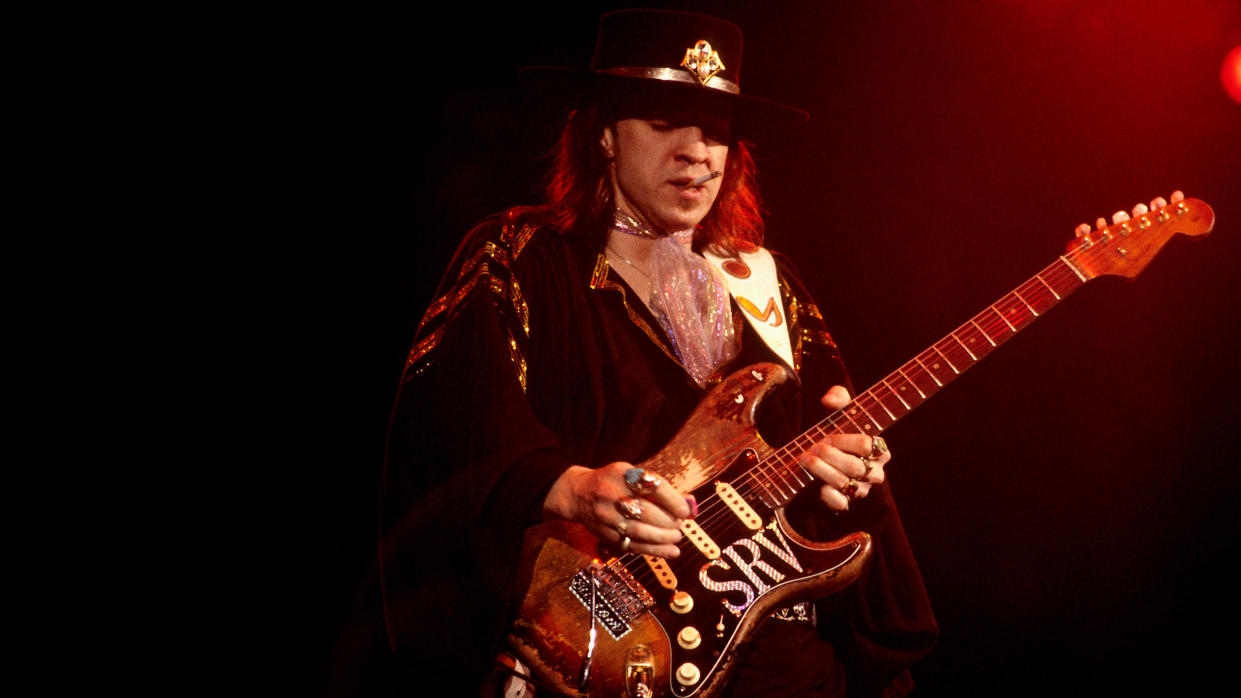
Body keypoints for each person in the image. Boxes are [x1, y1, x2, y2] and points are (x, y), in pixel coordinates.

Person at [379, 10, 937, 697]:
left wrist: (852, 476)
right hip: (601, 647)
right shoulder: (520, 257)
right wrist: (569, 488)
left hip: (778, 661)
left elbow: (830, 469)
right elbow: (443, 430)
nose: (696, 151)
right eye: (665, 122)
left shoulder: (771, 285)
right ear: (604, 135)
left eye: (714, 131)